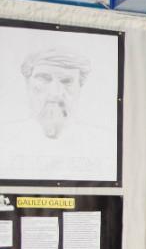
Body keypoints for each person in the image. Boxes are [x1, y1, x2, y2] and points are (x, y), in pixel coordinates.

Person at [0, 48, 116, 181]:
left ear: (80, 86)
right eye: (44, 79)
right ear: (28, 84)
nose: (55, 92)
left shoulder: (103, 141)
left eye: (67, 81)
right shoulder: (4, 136)